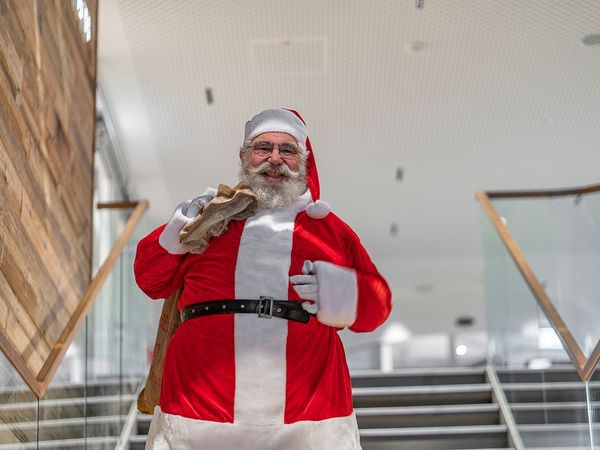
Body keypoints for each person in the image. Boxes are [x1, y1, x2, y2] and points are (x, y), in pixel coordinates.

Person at [134, 108, 392, 449]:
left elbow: (378, 304)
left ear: (303, 161)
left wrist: (339, 291)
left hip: (306, 418)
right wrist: (178, 230)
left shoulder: (329, 231)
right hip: (198, 413)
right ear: (245, 158)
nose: (275, 158)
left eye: (287, 150)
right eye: (263, 148)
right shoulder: (210, 220)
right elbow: (149, 279)